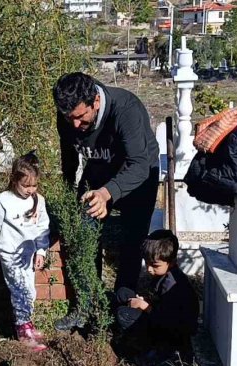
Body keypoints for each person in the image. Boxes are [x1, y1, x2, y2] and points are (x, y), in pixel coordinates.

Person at [52, 72, 160, 331]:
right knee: (84, 233)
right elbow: (69, 159)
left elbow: (139, 164)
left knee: (132, 240)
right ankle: (87, 305)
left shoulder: (127, 110)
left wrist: (107, 193)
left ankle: (123, 306)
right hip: (100, 168)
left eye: (80, 117)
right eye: (70, 119)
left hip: (138, 174)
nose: (75, 125)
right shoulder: (68, 115)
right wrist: (71, 196)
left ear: (96, 102)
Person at [0, 152, 50, 352]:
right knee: (20, 291)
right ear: (14, 180)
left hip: (27, 254)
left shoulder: (38, 200)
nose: (30, 190)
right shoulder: (0, 200)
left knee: (29, 291)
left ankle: (27, 323)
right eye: (26, 185)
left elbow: (42, 227)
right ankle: (22, 331)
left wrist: (41, 251)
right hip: (9, 253)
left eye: (34, 185)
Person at [115, 229, 198, 359]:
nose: (149, 269)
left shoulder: (172, 284)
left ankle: (150, 346)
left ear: (171, 262)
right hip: (163, 316)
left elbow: (165, 318)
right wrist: (146, 300)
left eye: (154, 265)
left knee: (123, 314)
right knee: (123, 293)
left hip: (173, 332)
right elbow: (159, 302)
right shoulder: (163, 274)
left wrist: (143, 306)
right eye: (147, 263)